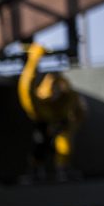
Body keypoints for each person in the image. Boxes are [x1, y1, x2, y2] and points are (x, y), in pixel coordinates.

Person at [18, 43, 87, 180]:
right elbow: (25, 87)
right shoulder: (40, 102)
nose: (55, 94)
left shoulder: (68, 96)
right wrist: (34, 57)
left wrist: (71, 125)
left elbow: (80, 111)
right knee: (41, 144)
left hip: (61, 122)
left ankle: (62, 168)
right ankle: (36, 169)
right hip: (43, 123)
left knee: (64, 143)